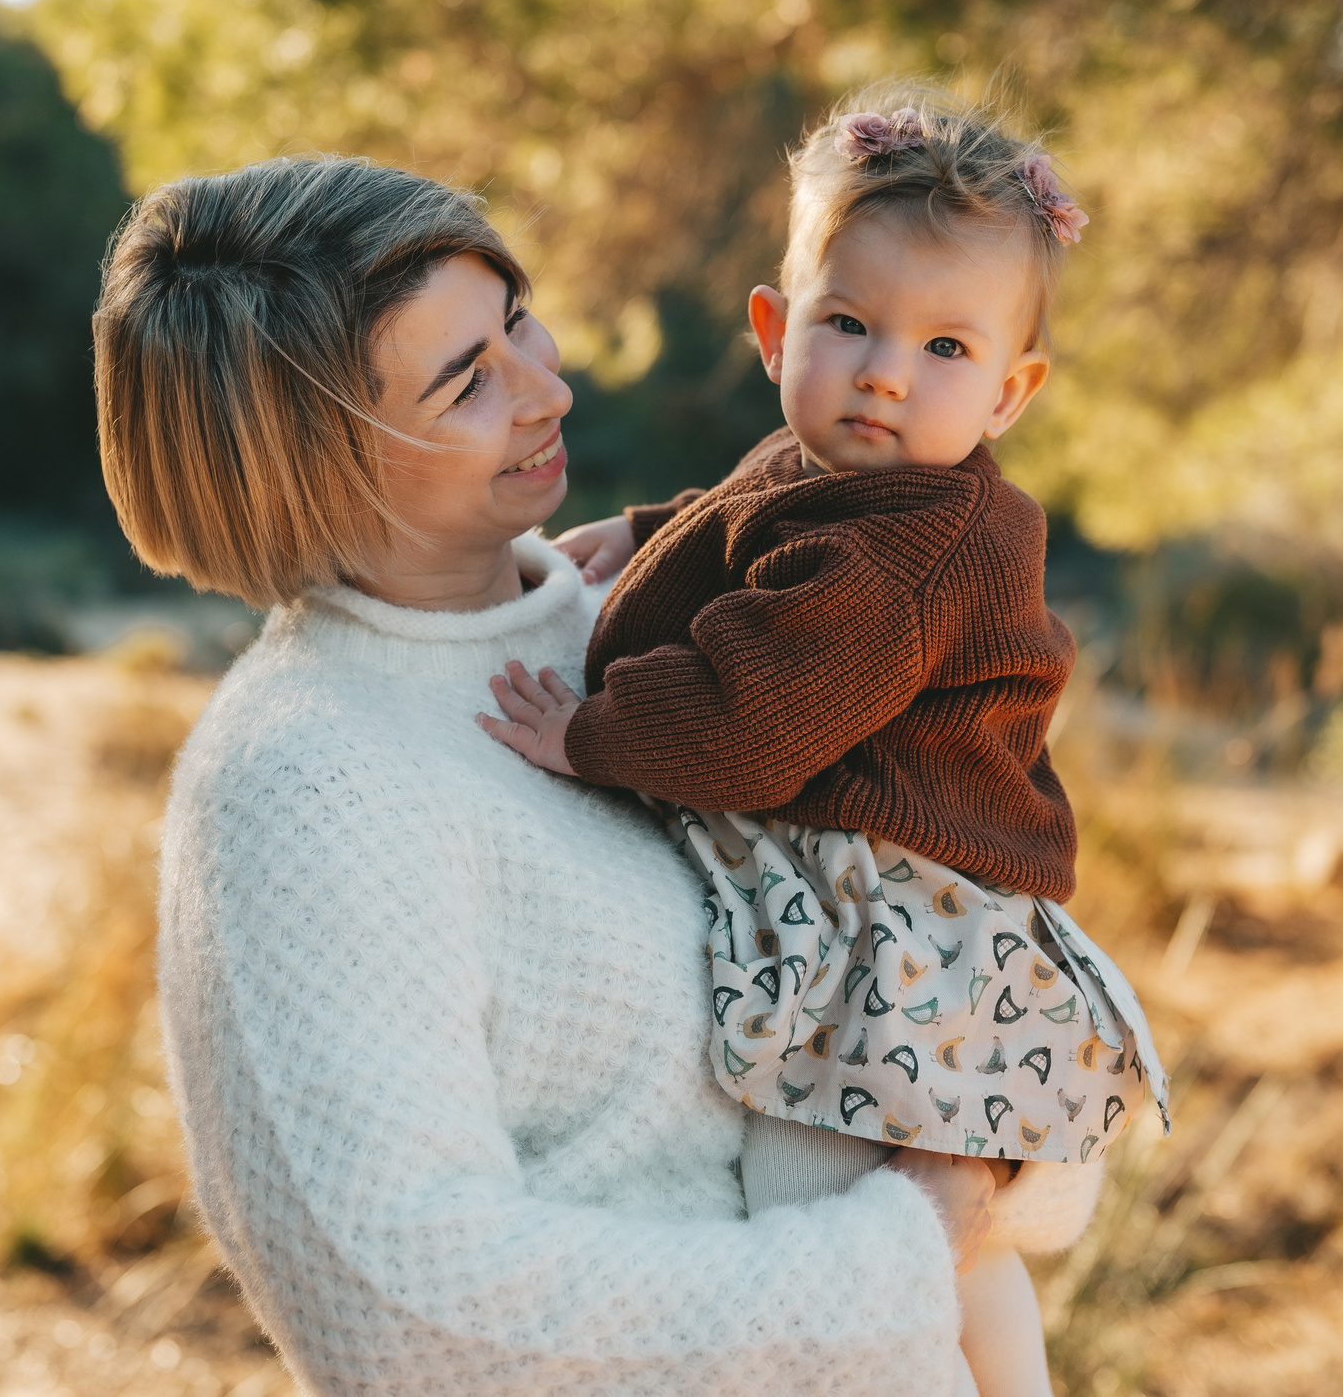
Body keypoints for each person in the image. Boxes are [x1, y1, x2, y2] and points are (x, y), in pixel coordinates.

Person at [95, 155, 1009, 1396]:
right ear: (307, 465)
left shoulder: (657, 620)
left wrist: (1006, 1137)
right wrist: (906, 1246)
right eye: (468, 379)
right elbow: (409, 1318)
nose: (548, 384)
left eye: (517, 319)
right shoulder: (303, 782)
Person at [479, 88, 1170, 1397]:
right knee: (948, 1256)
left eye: (948, 347)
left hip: (896, 932)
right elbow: (753, 518)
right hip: (912, 901)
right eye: (846, 322)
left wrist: (589, 730)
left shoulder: (911, 542)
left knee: (828, 1185)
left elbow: (757, 719)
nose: (886, 370)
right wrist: (649, 530)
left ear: (1013, 390)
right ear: (773, 326)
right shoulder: (855, 473)